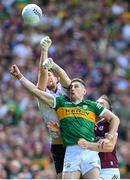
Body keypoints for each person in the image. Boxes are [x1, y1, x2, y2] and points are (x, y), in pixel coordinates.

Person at [10, 64, 120, 179]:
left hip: (89, 153)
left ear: (84, 91)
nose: (72, 88)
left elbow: (115, 119)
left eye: (76, 86)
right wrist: (19, 76)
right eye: (71, 87)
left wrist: (110, 136)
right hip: (71, 151)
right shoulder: (61, 102)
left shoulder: (92, 105)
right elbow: (35, 91)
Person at [34, 36, 71, 178]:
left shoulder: (65, 89)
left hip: (73, 139)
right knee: (62, 177)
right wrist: (44, 51)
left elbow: (66, 78)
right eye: (47, 75)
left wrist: (53, 65)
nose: (48, 77)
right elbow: (42, 73)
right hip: (58, 143)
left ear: (56, 79)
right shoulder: (42, 94)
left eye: (51, 75)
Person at [78, 95, 120, 179]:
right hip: (89, 169)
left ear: (108, 111)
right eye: (96, 103)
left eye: (101, 104)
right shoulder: (87, 124)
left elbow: (109, 147)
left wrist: (87, 145)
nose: (97, 105)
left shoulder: (110, 125)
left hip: (108, 169)